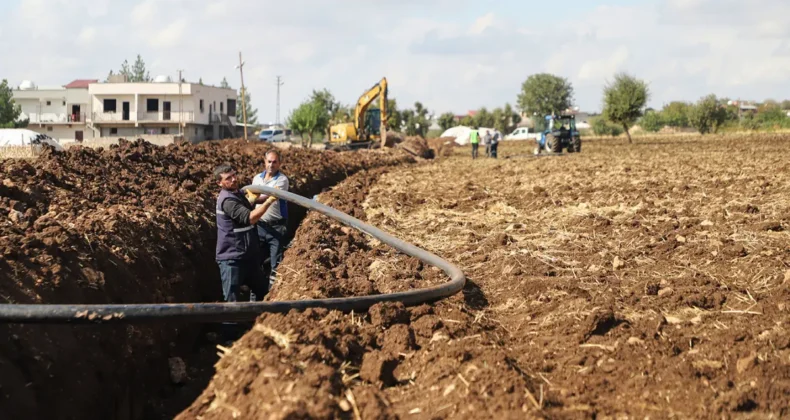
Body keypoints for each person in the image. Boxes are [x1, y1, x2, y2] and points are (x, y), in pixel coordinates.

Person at [214, 164, 274, 304]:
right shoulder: (227, 200)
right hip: (232, 259)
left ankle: (259, 320)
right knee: (232, 302)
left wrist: (258, 199)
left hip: (248, 256)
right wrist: (269, 202)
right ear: (219, 183)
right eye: (228, 178)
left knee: (263, 292)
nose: (234, 179)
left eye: (234, 175)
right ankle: (231, 326)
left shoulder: (237, 193)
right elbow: (250, 218)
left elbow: (243, 207)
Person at [251, 149, 290, 290]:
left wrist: (253, 197)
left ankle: (273, 295)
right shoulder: (256, 179)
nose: (271, 165)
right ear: (264, 162)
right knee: (256, 262)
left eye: (274, 162)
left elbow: (269, 196)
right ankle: (255, 294)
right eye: (269, 161)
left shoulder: (282, 180)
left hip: (277, 228)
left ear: (279, 164)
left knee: (276, 263)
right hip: (260, 226)